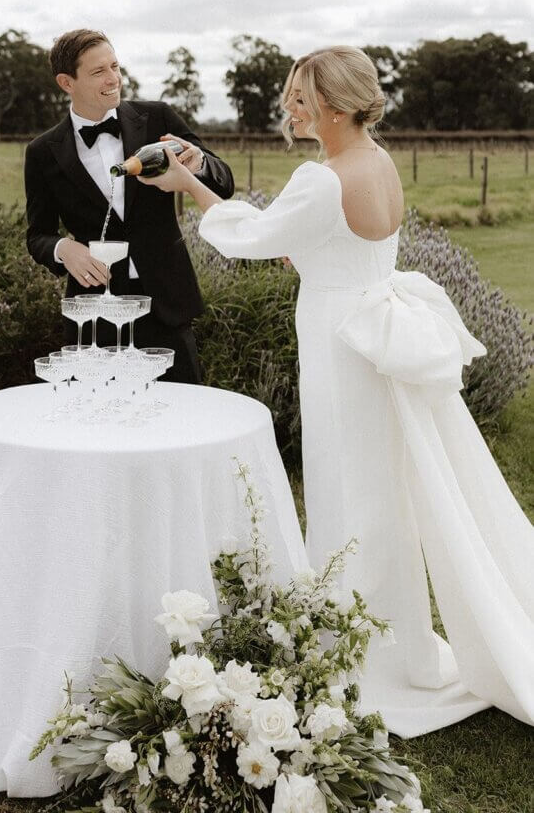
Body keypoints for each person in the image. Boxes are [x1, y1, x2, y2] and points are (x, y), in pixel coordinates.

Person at [138, 45, 534, 736]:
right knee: (381, 491)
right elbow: (340, 242)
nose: (290, 109)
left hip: (340, 344)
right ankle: (397, 646)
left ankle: (360, 653)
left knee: (346, 487)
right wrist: (302, 243)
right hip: (370, 335)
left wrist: (189, 189)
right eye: (291, 96)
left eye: (300, 98)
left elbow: (253, 239)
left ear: (333, 104)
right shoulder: (375, 161)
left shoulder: (321, 178)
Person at [24, 28, 234, 383]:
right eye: (98, 72)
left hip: (166, 308)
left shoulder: (158, 119)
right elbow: (37, 235)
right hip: (95, 314)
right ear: (66, 82)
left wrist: (197, 162)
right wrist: (63, 249)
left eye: (115, 66)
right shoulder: (43, 152)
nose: (113, 79)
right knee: (102, 425)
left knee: (181, 421)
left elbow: (223, 182)